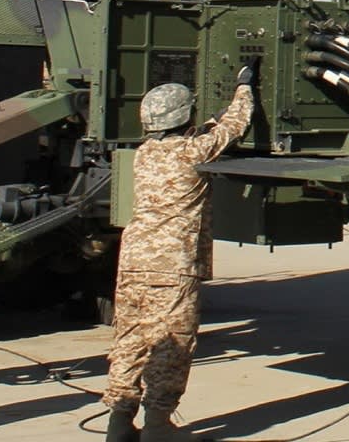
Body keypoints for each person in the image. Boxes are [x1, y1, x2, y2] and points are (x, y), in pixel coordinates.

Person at [102, 67, 256, 442]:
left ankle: (119, 424)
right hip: (173, 266)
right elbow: (235, 127)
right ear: (182, 117)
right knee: (171, 342)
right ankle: (158, 426)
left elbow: (199, 135)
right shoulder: (193, 153)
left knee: (131, 340)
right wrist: (244, 87)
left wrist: (207, 122)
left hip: (134, 263)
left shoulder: (144, 154)